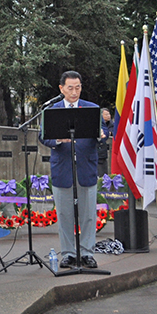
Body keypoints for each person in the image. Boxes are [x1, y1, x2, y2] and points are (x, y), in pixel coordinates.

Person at [39, 71, 104, 269]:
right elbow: (43, 136)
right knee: (65, 214)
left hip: (86, 167)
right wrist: (58, 140)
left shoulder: (92, 109)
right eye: (70, 88)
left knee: (88, 214)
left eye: (78, 87)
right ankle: (67, 253)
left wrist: (102, 134)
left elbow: (104, 130)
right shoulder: (52, 110)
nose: (74, 92)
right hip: (63, 168)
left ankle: (86, 252)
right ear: (61, 89)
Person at [98, 108, 115, 175]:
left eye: (109, 114)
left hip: (107, 151)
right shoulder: (98, 122)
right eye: (106, 114)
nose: (108, 116)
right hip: (99, 150)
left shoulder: (112, 124)